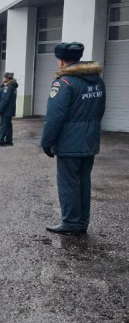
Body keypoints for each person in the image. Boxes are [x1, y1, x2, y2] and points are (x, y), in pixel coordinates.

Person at [41, 42, 106, 235]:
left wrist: (46, 142)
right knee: (83, 182)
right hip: (90, 141)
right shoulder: (97, 80)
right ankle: (82, 222)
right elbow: (100, 110)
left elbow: (54, 117)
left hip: (69, 143)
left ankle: (70, 222)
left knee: (69, 183)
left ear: (62, 61)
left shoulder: (64, 83)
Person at [0, 72, 18, 146]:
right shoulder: (12, 86)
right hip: (9, 109)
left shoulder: (7, 87)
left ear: (7, 78)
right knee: (8, 125)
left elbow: (5, 99)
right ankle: (9, 140)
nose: (3, 78)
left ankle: (1, 140)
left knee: (3, 125)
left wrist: (0, 109)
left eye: (4, 77)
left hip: (6, 110)